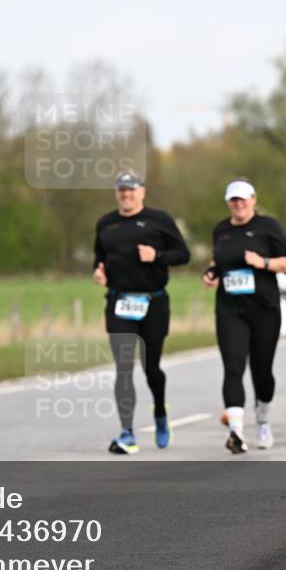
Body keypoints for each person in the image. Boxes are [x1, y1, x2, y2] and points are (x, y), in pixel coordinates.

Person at [93, 170, 190, 454]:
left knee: (151, 368)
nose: (126, 194)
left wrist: (157, 256)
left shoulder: (160, 221)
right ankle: (127, 432)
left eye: (131, 189)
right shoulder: (106, 224)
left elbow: (183, 255)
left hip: (154, 303)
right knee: (123, 368)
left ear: (142, 192)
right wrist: (98, 272)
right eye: (122, 190)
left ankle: (160, 411)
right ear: (116, 193)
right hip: (119, 302)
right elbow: (99, 257)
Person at [203, 178, 286, 454]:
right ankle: (236, 432)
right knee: (233, 367)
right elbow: (219, 261)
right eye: (233, 200)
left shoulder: (269, 227)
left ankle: (263, 420)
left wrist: (263, 263)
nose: (238, 204)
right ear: (228, 203)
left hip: (264, 309)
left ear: (253, 199)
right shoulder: (221, 230)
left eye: (243, 199)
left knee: (262, 371)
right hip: (230, 309)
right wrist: (211, 273)